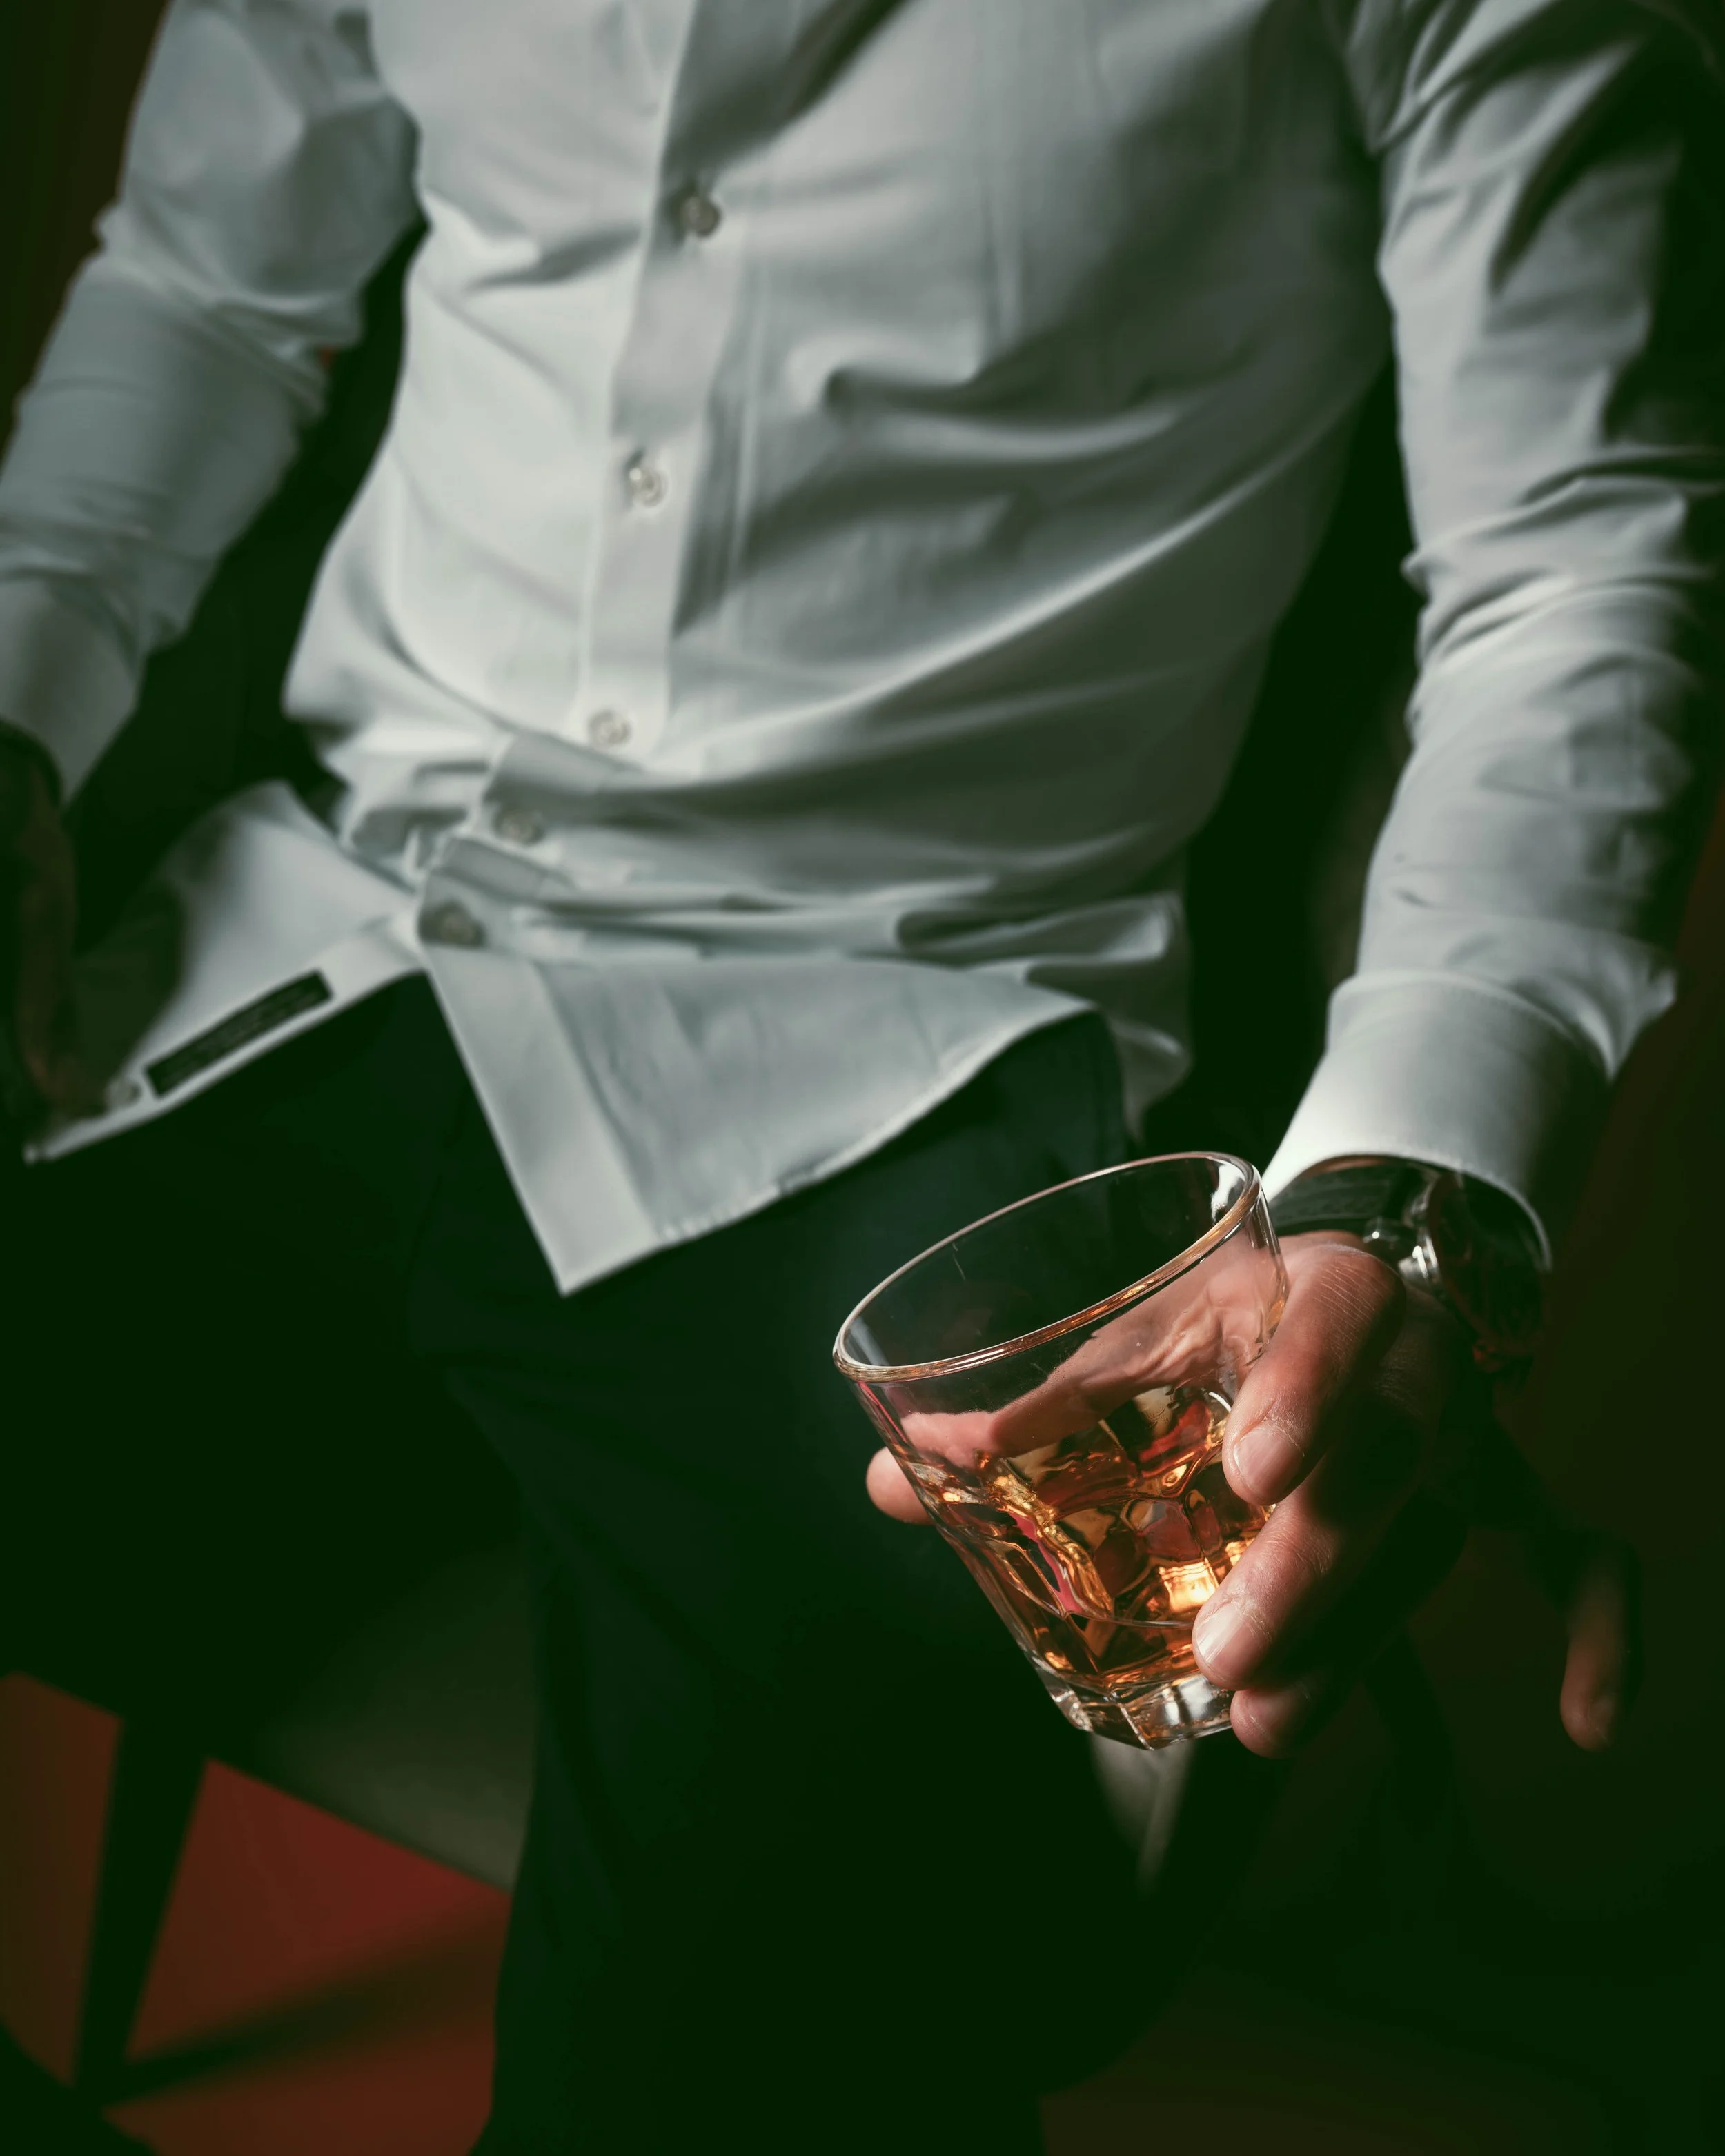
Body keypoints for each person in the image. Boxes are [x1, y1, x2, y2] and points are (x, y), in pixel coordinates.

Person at [1, 2, 1719, 2148]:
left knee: (790, 2006)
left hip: (907, 1057)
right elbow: (201, 289)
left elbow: (1571, 573)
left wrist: (1409, 1191)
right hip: (297, 935)